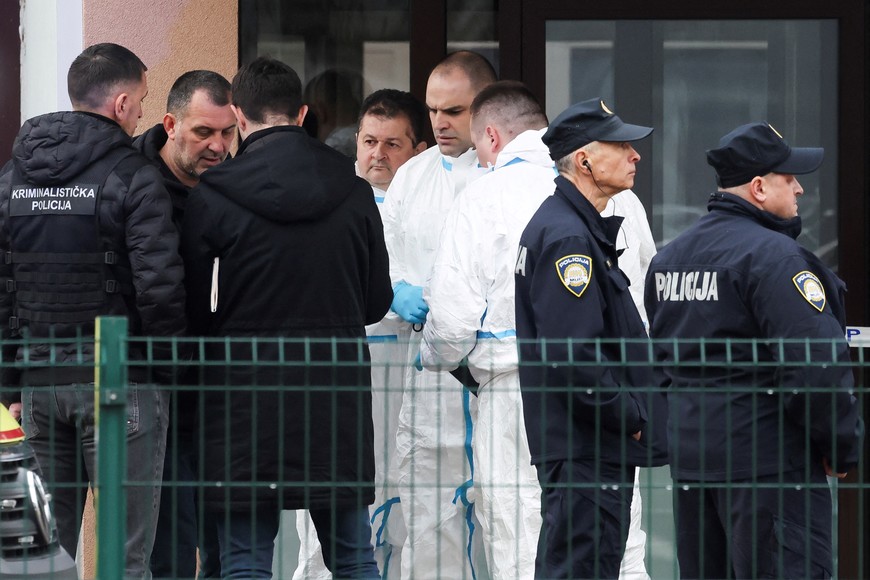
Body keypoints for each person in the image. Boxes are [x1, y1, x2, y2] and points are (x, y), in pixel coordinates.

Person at [180, 56, 392, 579]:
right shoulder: (354, 189)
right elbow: (375, 301)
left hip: (243, 399)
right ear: (301, 113)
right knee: (353, 556)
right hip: (334, 397)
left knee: (246, 561)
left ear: (238, 114)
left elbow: (192, 307)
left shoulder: (214, 194)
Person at [644, 122, 864, 578]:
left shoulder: (669, 260)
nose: (801, 188)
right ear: (760, 187)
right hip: (771, 470)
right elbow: (816, 368)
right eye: (790, 178)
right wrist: (841, 447)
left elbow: (663, 366)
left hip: (696, 469)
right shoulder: (776, 258)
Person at [0, 42, 185, 577]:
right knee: (125, 557)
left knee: (39, 557)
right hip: (119, 384)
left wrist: (10, 383)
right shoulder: (135, 175)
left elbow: (4, 290)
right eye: (144, 101)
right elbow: (160, 288)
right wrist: (167, 371)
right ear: (122, 103)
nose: (143, 114)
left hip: (38, 385)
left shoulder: (13, 179)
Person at [515, 97, 668, 579]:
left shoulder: (573, 227)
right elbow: (575, 355)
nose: (635, 155)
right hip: (589, 448)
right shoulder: (568, 238)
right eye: (620, 145)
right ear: (584, 159)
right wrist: (633, 416)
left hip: (589, 446)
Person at [294, 87, 428, 580]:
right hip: (345, 380)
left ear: (418, 151)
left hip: (408, 380)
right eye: (369, 141)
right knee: (333, 520)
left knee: (409, 516)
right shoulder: (331, 199)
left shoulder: (428, 206)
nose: (377, 154)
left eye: (392, 144)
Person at [418, 80, 549, 579]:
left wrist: (431, 352)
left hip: (512, 393)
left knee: (517, 533)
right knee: (614, 538)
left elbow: (452, 324)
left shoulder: (483, 195)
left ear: (491, 136)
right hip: (603, 390)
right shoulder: (608, 190)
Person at [381, 50, 496, 579]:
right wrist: (396, 289)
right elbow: (385, 256)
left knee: (504, 515)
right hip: (428, 378)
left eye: (454, 110)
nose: (440, 123)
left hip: (493, 373)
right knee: (429, 520)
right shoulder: (412, 177)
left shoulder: (508, 177)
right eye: (432, 110)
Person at [133, 69, 236, 579]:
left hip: (219, 389)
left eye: (226, 132)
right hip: (155, 384)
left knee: (224, 543)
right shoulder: (130, 179)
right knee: (168, 546)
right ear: (170, 124)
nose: (217, 146)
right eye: (203, 133)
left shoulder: (239, 188)